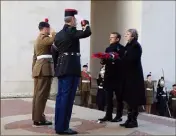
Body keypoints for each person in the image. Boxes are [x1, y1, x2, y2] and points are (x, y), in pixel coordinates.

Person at [52, 9, 91, 135]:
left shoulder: (58, 35)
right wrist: (83, 22)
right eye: (76, 20)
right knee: (67, 99)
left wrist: (58, 68)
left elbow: (54, 54)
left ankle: (59, 126)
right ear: (73, 20)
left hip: (62, 68)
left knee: (61, 97)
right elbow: (87, 32)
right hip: (71, 68)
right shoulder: (71, 31)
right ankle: (63, 128)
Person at [119, 29, 146, 128]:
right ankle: (129, 119)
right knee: (128, 98)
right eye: (125, 34)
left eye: (128, 34)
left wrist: (122, 59)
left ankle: (134, 121)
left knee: (133, 99)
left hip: (134, 76)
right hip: (128, 75)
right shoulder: (128, 45)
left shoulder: (136, 46)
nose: (125, 35)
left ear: (133, 36)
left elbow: (131, 59)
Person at [32, 20, 56, 126]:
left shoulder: (37, 40)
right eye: (48, 29)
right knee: (42, 95)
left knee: (38, 95)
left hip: (39, 69)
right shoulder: (43, 38)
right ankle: (39, 118)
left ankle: (37, 117)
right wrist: (53, 32)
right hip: (44, 70)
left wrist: (34, 70)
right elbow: (52, 40)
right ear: (45, 29)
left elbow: (34, 57)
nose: (49, 30)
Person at [98, 32, 125, 122]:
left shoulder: (121, 48)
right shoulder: (108, 48)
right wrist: (103, 60)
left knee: (118, 98)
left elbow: (124, 62)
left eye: (112, 37)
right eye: (110, 37)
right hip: (109, 75)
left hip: (118, 76)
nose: (110, 39)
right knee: (108, 97)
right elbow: (105, 62)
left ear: (117, 39)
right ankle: (108, 115)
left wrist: (115, 59)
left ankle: (118, 116)